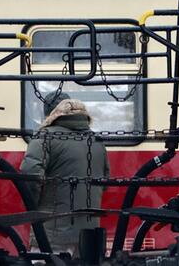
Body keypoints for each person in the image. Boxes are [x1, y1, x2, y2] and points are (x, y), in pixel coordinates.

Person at [21, 92, 109, 257]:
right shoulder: (97, 141)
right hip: (90, 234)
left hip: (53, 233)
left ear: (50, 113)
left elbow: (29, 175)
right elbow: (104, 183)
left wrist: (33, 207)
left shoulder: (45, 136)